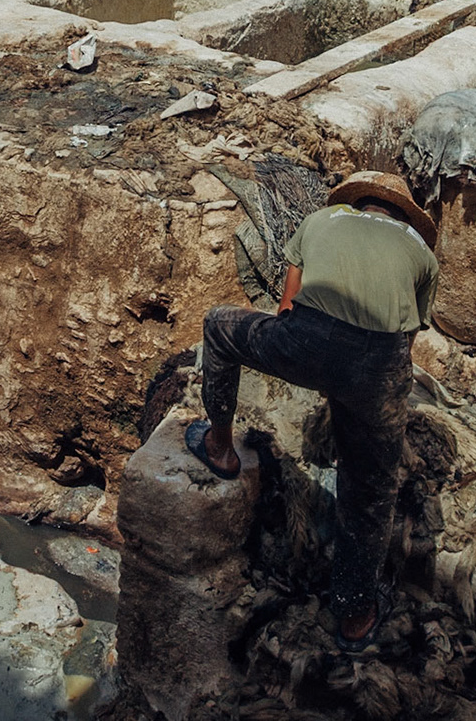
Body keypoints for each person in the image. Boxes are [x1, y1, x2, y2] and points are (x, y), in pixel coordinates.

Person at [185, 171, 438, 653]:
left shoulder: (322, 218)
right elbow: (405, 343)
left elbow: (286, 304)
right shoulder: (421, 253)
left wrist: (304, 358)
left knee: (219, 325)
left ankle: (219, 447)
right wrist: (356, 393)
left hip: (308, 340)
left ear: (360, 202)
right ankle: (356, 615)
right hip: (379, 366)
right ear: (403, 216)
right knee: (370, 491)